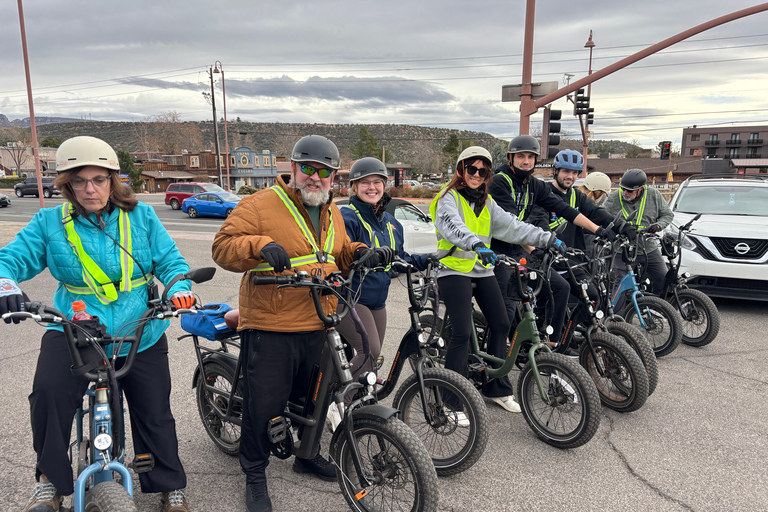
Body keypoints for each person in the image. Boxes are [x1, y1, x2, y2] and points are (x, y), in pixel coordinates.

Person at [0, 136, 194, 512]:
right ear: (67, 185)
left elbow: (171, 262)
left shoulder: (142, 216)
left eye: (99, 179)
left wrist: (179, 289)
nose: (90, 189)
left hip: (140, 329)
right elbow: (8, 260)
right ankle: (49, 482)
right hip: (75, 330)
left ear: (113, 180)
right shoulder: (48, 223)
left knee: (155, 410)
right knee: (48, 395)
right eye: (80, 180)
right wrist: (5, 285)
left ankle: (171, 485)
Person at [211, 135, 389, 512]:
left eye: (324, 172)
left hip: (319, 320)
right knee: (265, 404)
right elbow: (222, 247)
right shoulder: (260, 205)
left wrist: (360, 253)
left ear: (333, 178)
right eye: (308, 169)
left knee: (316, 396)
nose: (315, 178)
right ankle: (255, 475)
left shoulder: (331, 210)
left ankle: (306, 455)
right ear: (291, 169)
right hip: (273, 324)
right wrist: (259, 246)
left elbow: (338, 252)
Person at [431, 146, 564, 414]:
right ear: (461, 169)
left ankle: (496, 388)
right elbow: (454, 226)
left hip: (482, 270)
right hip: (453, 269)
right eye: (472, 169)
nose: (477, 175)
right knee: (461, 333)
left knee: (502, 323)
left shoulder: (487, 202)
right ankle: (450, 402)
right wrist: (476, 244)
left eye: (483, 171)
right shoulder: (447, 197)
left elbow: (514, 226)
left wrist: (547, 238)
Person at [488, 136, 614, 348]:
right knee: (505, 314)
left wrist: (598, 229)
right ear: (511, 158)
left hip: (521, 252)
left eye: (530, 157)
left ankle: (551, 344)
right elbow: (510, 226)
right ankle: (494, 372)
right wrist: (535, 247)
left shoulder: (533, 184)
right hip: (499, 252)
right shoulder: (500, 181)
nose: (526, 161)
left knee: (559, 287)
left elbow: (564, 209)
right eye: (521, 156)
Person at [335, 157, 428, 404]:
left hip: (378, 301)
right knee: (370, 352)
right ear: (354, 186)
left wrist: (427, 260)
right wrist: (366, 255)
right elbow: (344, 254)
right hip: (350, 299)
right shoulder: (347, 217)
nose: (372, 187)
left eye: (377, 182)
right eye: (365, 183)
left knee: (371, 359)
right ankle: (338, 403)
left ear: (385, 185)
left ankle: (359, 402)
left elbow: (400, 257)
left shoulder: (391, 223)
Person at [528, 150, 621, 313]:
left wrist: (621, 226)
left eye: (574, 173)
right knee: (552, 308)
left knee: (593, 298)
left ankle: (573, 333)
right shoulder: (544, 193)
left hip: (574, 262)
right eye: (565, 171)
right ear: (555, 171)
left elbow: (597, 213)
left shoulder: (577, 196)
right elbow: (539, 222)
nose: (570, 176)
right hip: (550, 263)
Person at [603, 169, 674, 301]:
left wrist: (659, 225)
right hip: (623, 249)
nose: (625, 192)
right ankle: (617, 318)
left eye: (629, 191)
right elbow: (601, 216)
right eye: (623, 189)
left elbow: (668, 215)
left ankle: (657, 308)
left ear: (641, 189)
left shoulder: (654, 195)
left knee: (664, 278)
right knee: (621, 283)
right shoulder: (614, 198)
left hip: (648, 248)